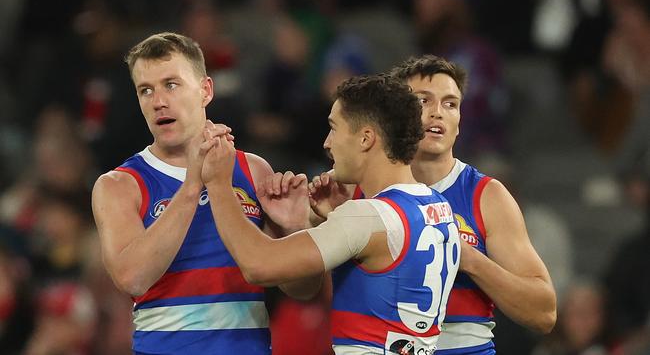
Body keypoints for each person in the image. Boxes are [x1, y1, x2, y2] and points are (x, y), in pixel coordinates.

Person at [200, 74, 461, 354]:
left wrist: (218, 184)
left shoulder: (366, 218)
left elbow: (258, 265)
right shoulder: (439, 206)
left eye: (334, 129)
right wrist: (303, 224)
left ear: (365, 139)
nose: (327, 143)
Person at [91, 32, 314, 355]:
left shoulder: (254, 170)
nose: (158, 101)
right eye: (146, 90)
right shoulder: (119, 185)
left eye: (171, 84)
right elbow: (132, 278)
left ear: (205, 90)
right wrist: (194, 183)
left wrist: (295, 229)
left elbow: (304, 290)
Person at [389, 55, 557, 353]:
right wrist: (296, 224)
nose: (437, 113)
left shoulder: (488, 196)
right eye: (423, 101)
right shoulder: (361, 190)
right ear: (394, 114)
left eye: (450, 104)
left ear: (459, 123)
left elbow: (544, 312)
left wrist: (470, 260)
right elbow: (305, 292)